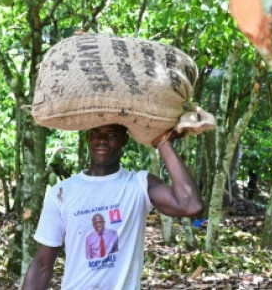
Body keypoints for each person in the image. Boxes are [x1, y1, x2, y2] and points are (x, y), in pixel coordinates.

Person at [21, 124, 203, 290]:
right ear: (87, 138)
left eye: (111, 134)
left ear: (124, 139)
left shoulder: (139, 185)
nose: (102, 139)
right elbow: (42, 264)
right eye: (96, 133)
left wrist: (163, 143)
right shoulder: (62, 192)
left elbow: (190, 204)